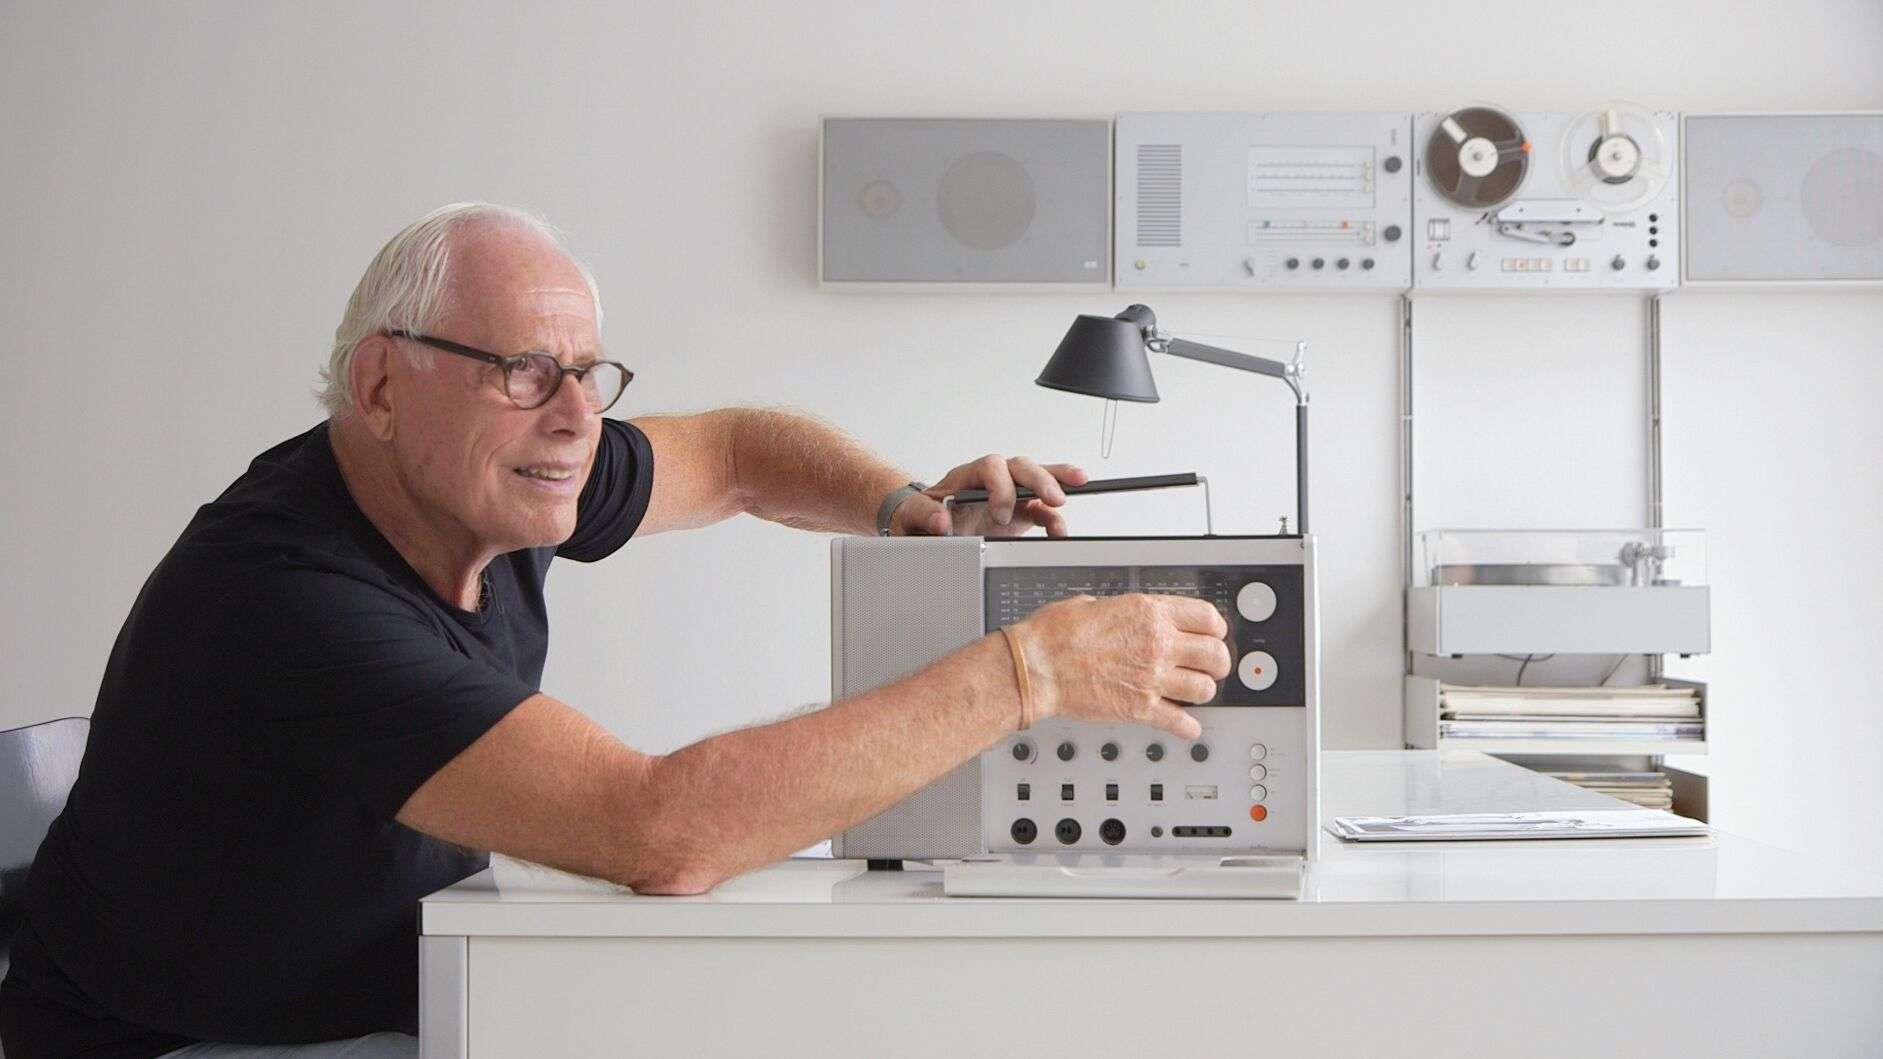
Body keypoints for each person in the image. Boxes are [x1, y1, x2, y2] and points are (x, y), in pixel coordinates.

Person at [0, 204, 1231, 1058]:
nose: (578, 417)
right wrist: (1032, 668)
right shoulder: (287, 597)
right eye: (526, 369)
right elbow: (664, 832)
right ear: (381, 386)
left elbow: (743, 454)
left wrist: (906, 508)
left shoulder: (500, 474)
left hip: (401, 980)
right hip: (192, 1042)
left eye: (591, 372)